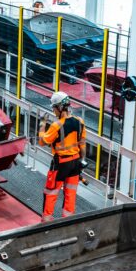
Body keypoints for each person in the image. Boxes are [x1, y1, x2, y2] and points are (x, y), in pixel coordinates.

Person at [39, 91, 86, 222]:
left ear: (59, 107)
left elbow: (42, 142)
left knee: (51, 192)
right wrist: (82, 161)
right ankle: (68, 221)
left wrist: (42, 125)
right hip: (75, 163)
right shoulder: (80, 121)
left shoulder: (56, 125)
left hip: (60, 164)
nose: (54, 111)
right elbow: (82, 144)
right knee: (71, 193)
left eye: (54, 108)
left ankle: (46, 221)